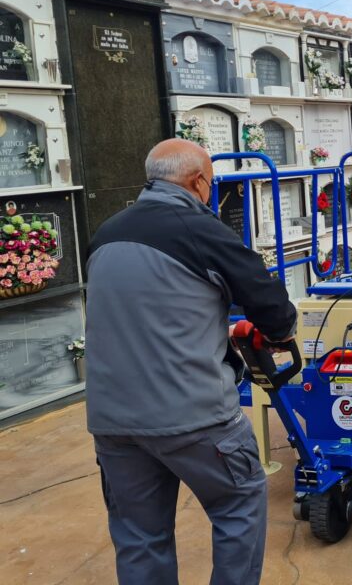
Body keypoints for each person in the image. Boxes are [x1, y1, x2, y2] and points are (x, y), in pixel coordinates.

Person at [86, 138, 296, 584]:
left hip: (113, 422)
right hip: (194, 417)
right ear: (198, 182)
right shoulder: (200, 228)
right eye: (211, 184)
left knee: (140, 536)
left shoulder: (107, 231)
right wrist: (281, 334)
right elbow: (272, 306)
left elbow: (140, 309)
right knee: (238, 505)